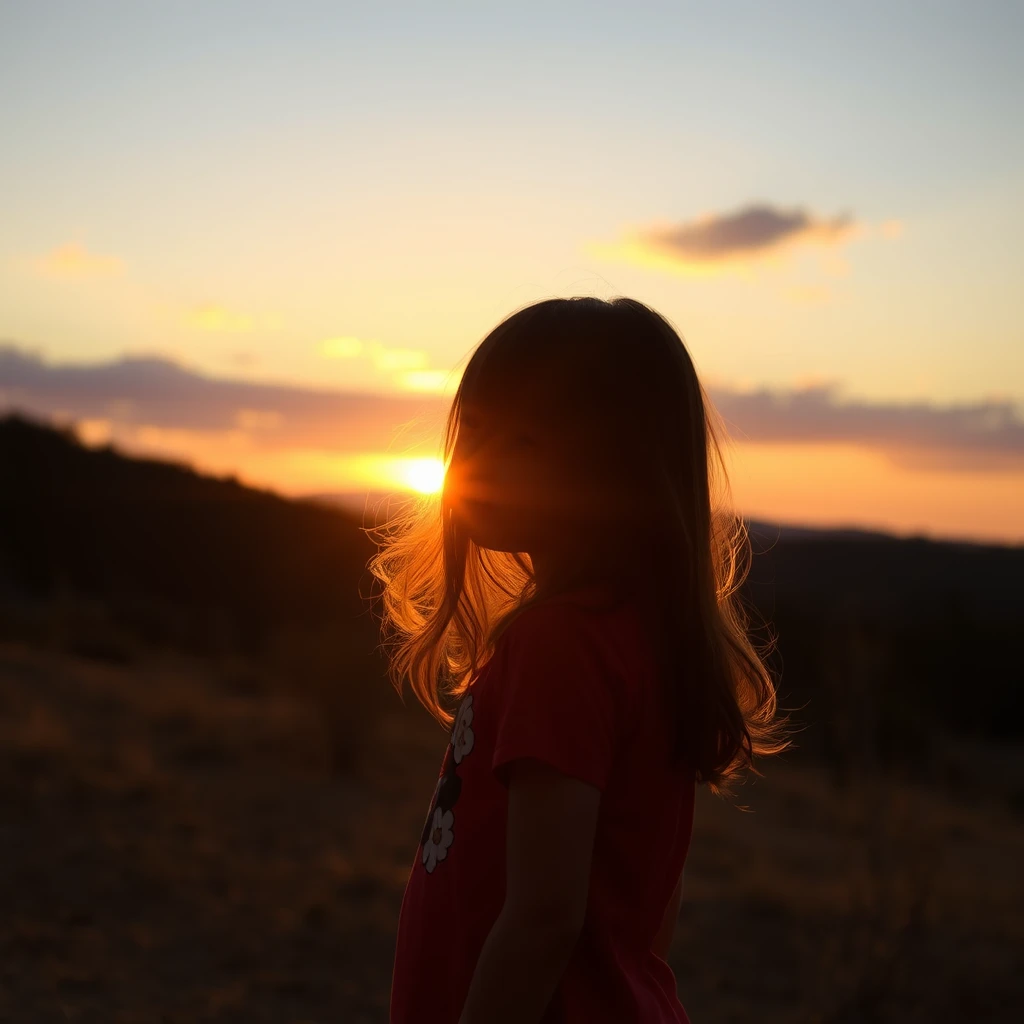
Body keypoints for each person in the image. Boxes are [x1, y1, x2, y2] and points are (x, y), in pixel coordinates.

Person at [369, 296, 795, 1023]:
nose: (476, 463)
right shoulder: (640, 637)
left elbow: (543, 921)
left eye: (524, 443)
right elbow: (646, 908)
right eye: (472, 429)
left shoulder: (561, 644)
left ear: (615, 473)